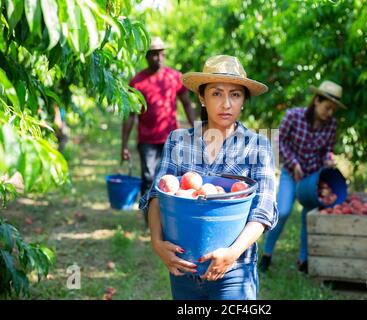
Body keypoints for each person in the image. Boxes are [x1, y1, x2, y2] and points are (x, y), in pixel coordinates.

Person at [139, 55, 278, 300]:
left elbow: (263, 209)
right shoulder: (178, 141)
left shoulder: (257, 146)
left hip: (236, 269)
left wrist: (232, 253)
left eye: (235, 94)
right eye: (216, 93)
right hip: (184, 266)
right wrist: (156, 242)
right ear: (202, 98)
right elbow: (157, 195)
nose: (226, 103)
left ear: (244, 100)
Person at [260, 80, 347, 274]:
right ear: (316, 100)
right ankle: (266, 254)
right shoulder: (294, 116)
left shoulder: (331, 125)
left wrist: (328, 161)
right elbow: (279, 141)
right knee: (282, 212)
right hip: (291, 173)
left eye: (333, 109)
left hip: (313, 177)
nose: (330, 113)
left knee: (308, 217)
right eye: (327, 107)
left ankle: (304, 260)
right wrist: (293, 163)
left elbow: (327, 150)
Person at [121, 36, 196, 222]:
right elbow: (130, 115)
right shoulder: (137, 82)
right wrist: (124, 145)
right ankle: (150, 220)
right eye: (154, 54)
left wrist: (197, 129)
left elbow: (186, 104)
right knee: (148, 178)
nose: (158, 58)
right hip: (147, 139)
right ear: (147, 57)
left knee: (172, 178)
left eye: (161, 54)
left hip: (171, 138)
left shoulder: (174, 77)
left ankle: (170, 218)